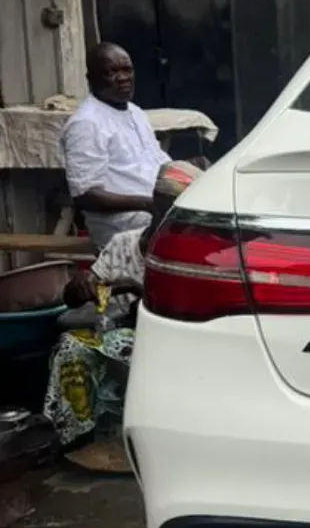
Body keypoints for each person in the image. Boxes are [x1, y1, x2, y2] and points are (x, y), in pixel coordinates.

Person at [44, 161, 201, 469]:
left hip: (165, 343)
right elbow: (74, 300)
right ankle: (76, 437)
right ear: (154, 202)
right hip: (113, 335)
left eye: (176, 206)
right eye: (163, 203)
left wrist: (137, 290)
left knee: (128, 347)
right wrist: (80, 286)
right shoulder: (123, 244)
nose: (167, 213)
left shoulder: (190, 256)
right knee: (70, 345)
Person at [61, 43, 171, 251]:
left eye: (127, 70)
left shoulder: (136, 112)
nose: (123, 78)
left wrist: (187, 168)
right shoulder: (86, 123)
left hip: (154, 214)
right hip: (123, 226)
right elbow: (85, 197)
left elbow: (155, 162)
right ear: (91, 79)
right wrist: (147, 204)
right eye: (111, 72)